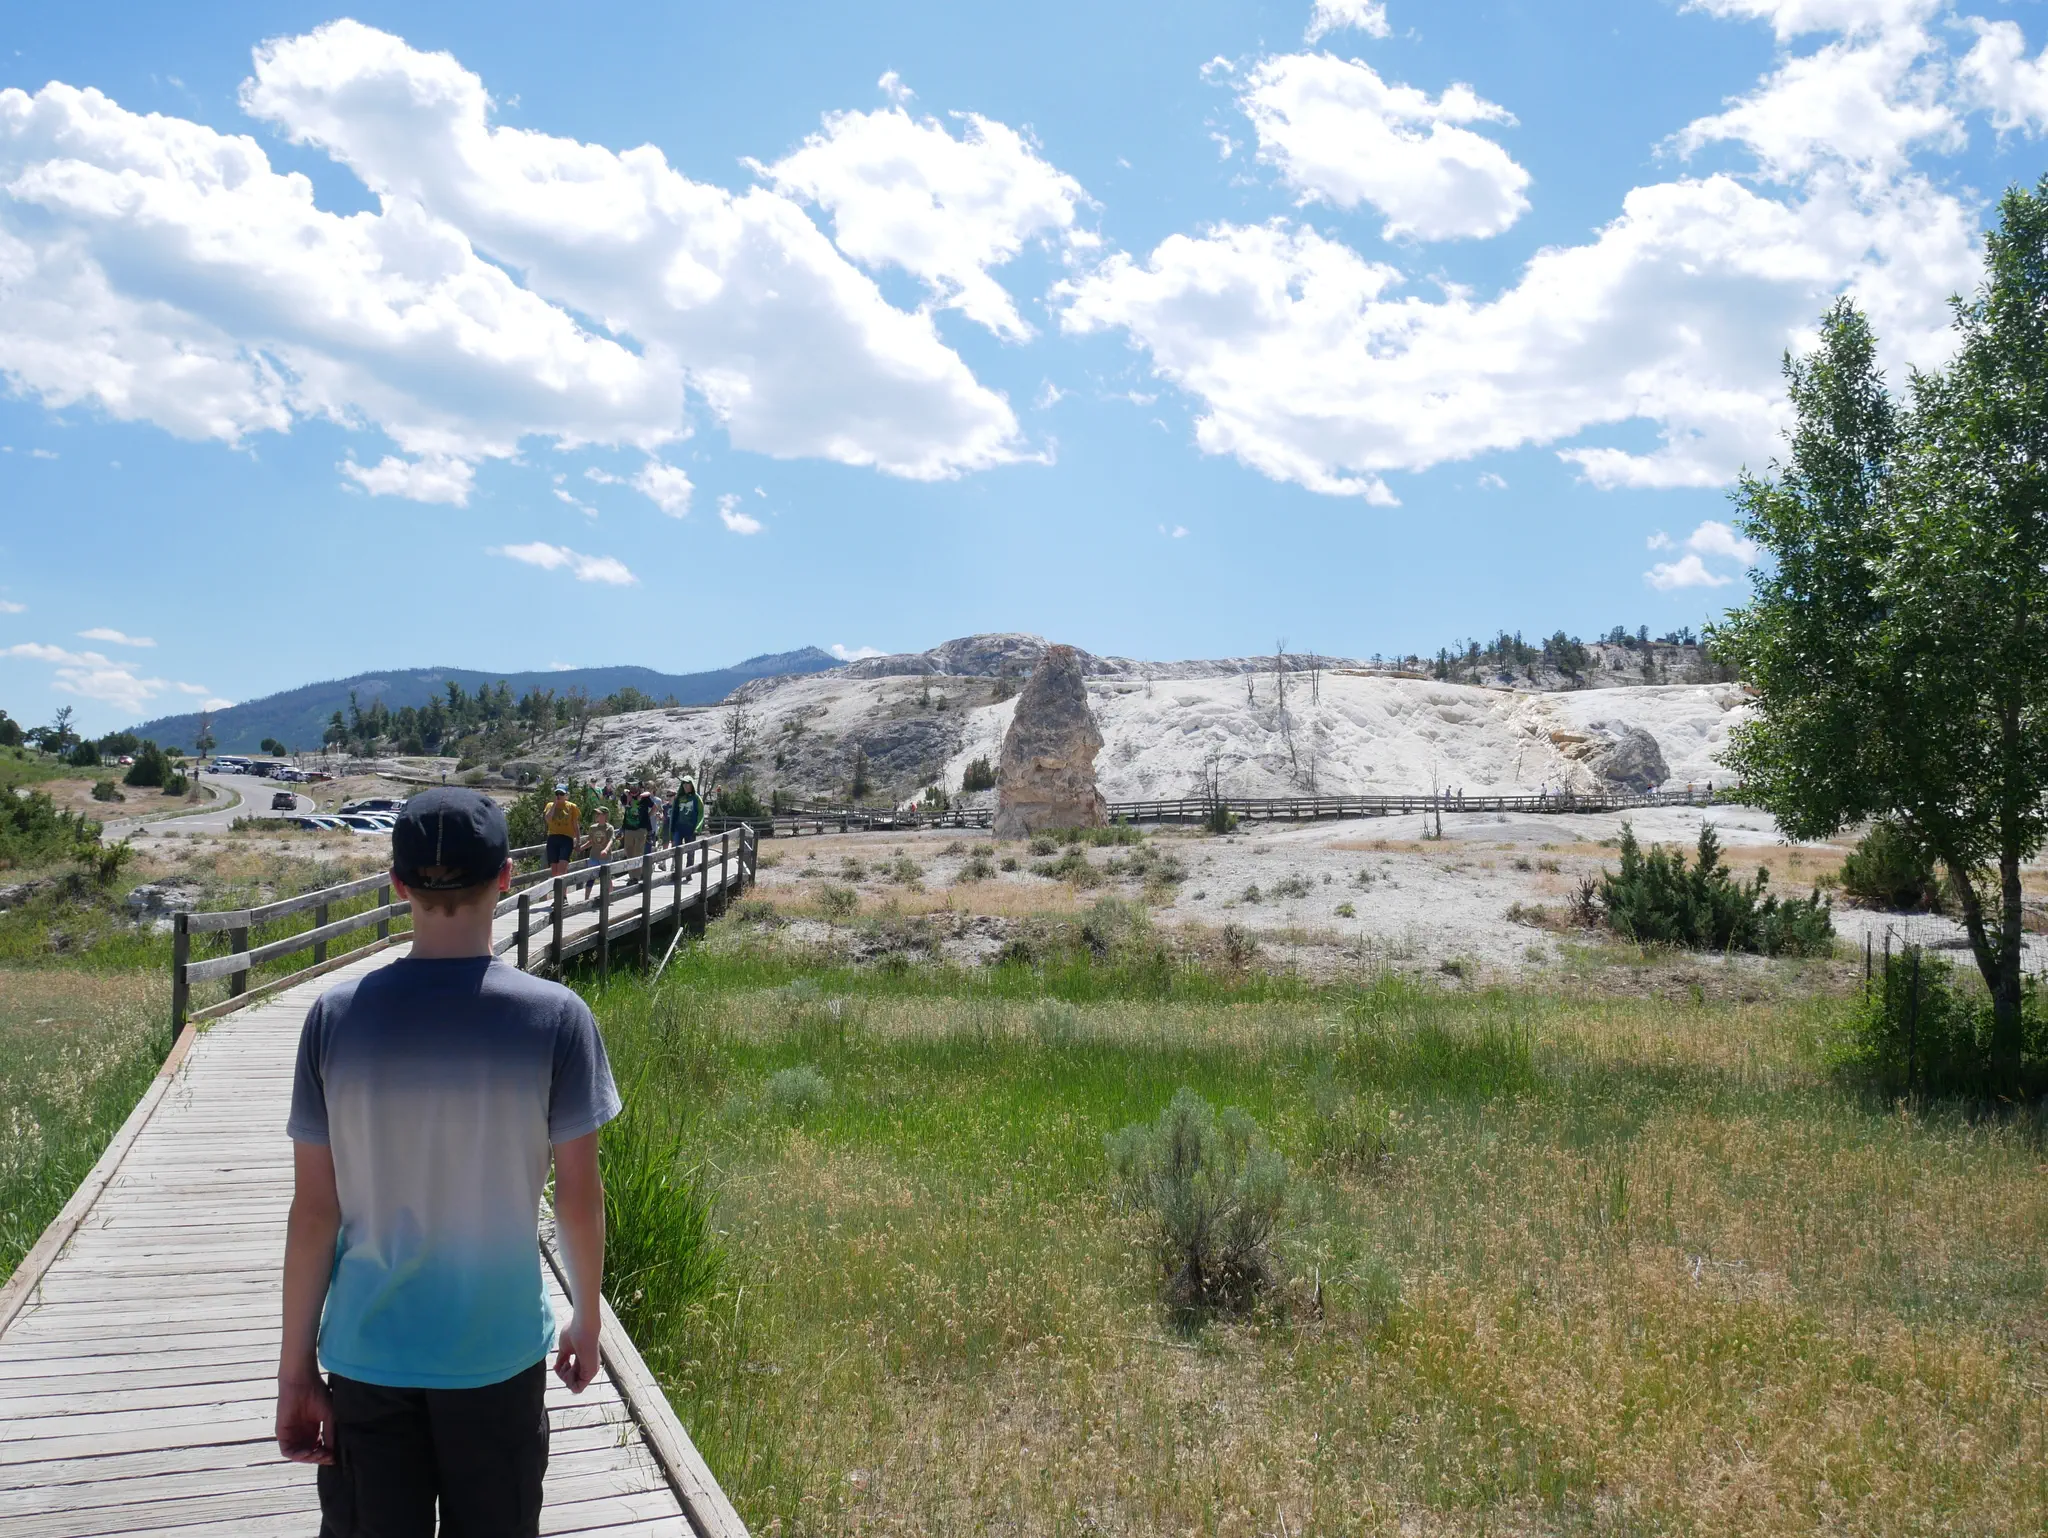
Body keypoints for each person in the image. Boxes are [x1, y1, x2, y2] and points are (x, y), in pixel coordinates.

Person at [274, 788, 619, 1537]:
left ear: (398, 885)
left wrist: (295, 1368)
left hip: (368, 1355)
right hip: (497, 1353)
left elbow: (315, 1212)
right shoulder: (557, 1019)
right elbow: (577, 1197)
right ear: (506, 877)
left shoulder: (334, 1019)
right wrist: (586, 1318)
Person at [578, 804, 616, 899]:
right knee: (591, 877)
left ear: (605, 815)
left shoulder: (609, 828)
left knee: (606, 877)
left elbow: (611, 840)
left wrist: (606, 850)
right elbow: (591, 841)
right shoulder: (593, 828)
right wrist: (582, 848)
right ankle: (586, 898)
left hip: (605, 857)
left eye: (599, 814)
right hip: (594, 856)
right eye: (597, 814)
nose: (597, 815)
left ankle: (609, 897)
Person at [543, 782, 580, 880]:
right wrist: (554, 804)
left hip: (566, 838)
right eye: (557, 793)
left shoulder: (572, 807)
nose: (559, 796)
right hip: (553, 838)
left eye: (561, 794)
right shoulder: (550, 805)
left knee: (562, 869)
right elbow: (548, 819)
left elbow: (575, 825)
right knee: (554, 871)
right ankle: (557, 889)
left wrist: (578, 841)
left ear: (566, 795)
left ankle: (563, 890)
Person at [669, 777, 704, 867]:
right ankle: (678, 870)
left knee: (690, 852)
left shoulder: (696, 798)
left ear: (691, 785)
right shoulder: (678, 798)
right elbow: (674, 814)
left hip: (691, 829)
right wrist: (671, 831)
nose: (685, 786)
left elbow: (701, 814)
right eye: (684, 784)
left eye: (687, 783)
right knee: (677, 851)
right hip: (679, 828)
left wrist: (698, 828)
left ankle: (689, 871)